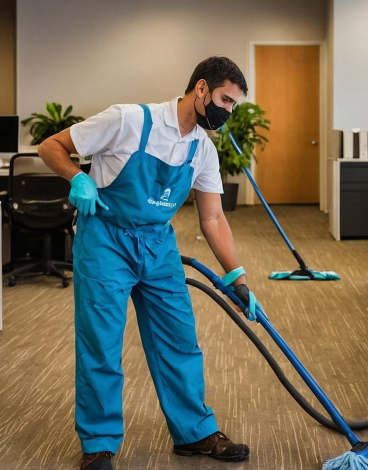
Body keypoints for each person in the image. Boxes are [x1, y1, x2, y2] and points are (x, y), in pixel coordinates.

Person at [38, 56, 258, 470]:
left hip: (158, 246)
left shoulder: (202, 149)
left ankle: (195, 433)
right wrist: (78, 177)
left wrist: (238, 276)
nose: (227, 111)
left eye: (234, 106)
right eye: (225, 100)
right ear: (201, 89)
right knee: (101, 343)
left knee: (179, 339)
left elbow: (212, 218)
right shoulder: (128, 121)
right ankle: (99, 443)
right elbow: (51, 146)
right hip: (105, 239)